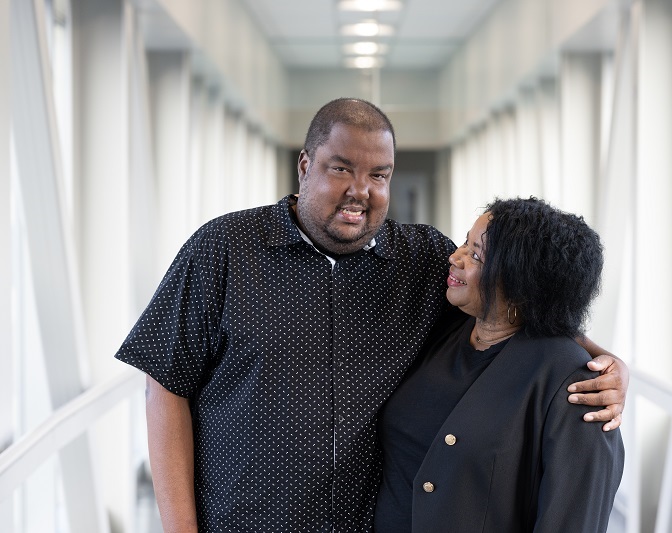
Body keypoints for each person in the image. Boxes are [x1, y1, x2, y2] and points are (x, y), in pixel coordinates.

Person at [114, 98, 627, 532]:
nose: (360, 190)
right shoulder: (225, 248)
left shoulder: (423, 260)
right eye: (341, 168)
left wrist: (603, 363)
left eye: (378, 175)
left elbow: (516, 306)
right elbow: (166, 385)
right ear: (305, 165)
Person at [374, 197, 624, 533]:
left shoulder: (578, 386)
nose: (455, 257)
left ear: (521, 286)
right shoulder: (444, 329)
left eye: (476, 256)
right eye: (465, 242)